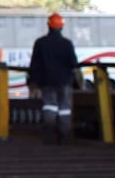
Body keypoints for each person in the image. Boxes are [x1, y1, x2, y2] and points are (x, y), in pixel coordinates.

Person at [29, 12, 79, 145]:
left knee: (49, 106)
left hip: (47, 82)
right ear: (61, 27)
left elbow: (34, 64)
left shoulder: (40, 43)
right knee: (65, 108)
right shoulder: (67, 43)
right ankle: (65, 137)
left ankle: (49, 135)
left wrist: (32, 81)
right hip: (64, 82)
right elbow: (74, 63)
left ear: (49, 26)